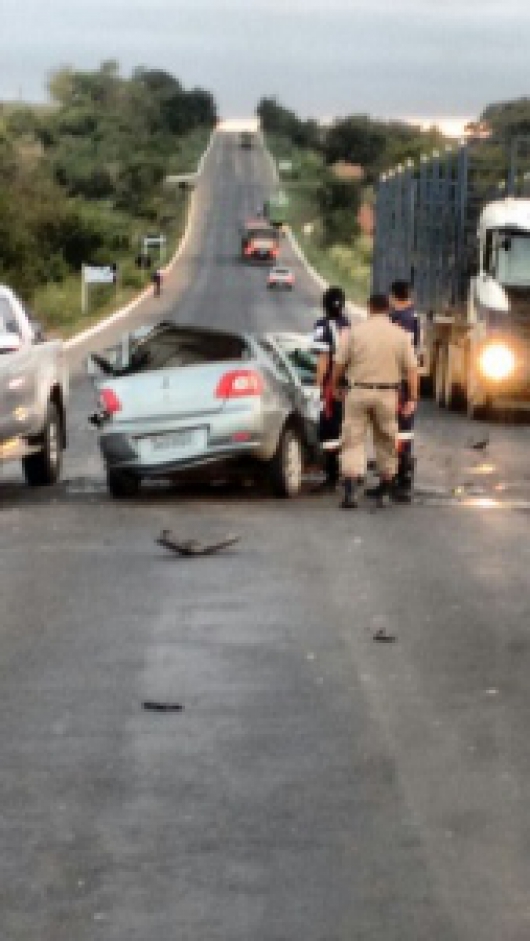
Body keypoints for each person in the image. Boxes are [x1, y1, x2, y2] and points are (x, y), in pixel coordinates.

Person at [331, 292, 418, 509]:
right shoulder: (400, 336)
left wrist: (334, 386)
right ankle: (386, 488)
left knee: (352, 439)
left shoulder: (353, 333)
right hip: (388, 394)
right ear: (388, 309)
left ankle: (350, 489)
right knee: (387, 440)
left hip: (358, 392)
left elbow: (339, 365)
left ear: (369, 308)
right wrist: (413, 398)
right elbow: (411, 370)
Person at [311, 285, 350, 492]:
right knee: (346, 428)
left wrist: (317, 386)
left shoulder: (322, 325)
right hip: (348, 385)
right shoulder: (348, 325)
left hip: (330, 385)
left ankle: (332, 476)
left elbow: (323, 360)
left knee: (329, 431)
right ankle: (349, 473)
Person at [389, 279, 420, 502]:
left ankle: (402, 481)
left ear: (393, 297)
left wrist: (411, 395)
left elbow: (406, 358)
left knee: (400, 433)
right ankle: (396, 479)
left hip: (400, 383)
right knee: (399, 433)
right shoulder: (410, 317)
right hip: (403, 383)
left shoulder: (403, 321)